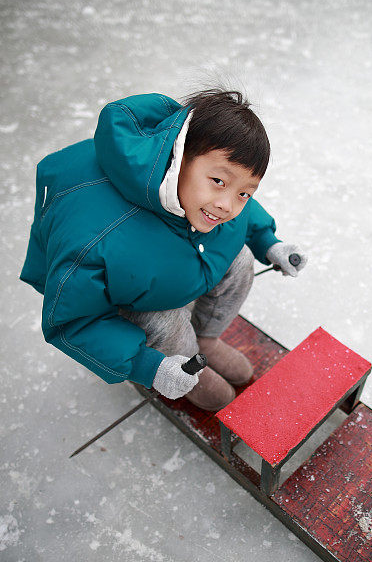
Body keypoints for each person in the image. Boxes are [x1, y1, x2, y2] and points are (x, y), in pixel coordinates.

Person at [20, 89, 307, 411]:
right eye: (218, 181)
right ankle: (188, 369)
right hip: (129, 292)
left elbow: (242, 209)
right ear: (178, 158)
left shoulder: (208, 198)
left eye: (243, 192)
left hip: (174, 265)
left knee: (239, 260)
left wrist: (268, 242)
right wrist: (149, 368)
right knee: (163, 320)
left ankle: (206, 340)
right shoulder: (95, 240)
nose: (227, 205)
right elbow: (72, 322)